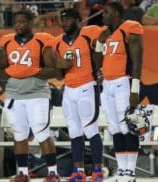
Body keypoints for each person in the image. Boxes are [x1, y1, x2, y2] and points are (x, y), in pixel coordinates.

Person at [0, 9, 60, 181]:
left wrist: (28, 71)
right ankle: (22, 172)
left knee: (42, 132)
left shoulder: (41, 40)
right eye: (16, 22)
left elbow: (53, 70)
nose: (18, 25)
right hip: (15, 95)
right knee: (19, 135)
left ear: (31, 23)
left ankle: (53, 172)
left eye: (22, 22)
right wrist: (12, 76)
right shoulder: (8, 41)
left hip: (37, 94)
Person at [51, 8, 104, 182]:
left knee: (90, 129)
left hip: (87, 86)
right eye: (62, 20)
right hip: (68, 89)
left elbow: (105, 41)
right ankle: (78, 171)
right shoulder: (58, 42)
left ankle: (97, 170)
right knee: (74, 131)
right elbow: (58, 76)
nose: (64, 23)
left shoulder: (89, 33)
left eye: (67, 19)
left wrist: (101, 69)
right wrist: (60, 64)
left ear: (77, 20)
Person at [94, 2, 144, 181]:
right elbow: (97, 63)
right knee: (115, 128)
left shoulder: (130, 28)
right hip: (108, 84)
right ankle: (122, 170)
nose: (103, 15)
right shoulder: (105, 34)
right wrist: (100, 43)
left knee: (128, 127)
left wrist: (134, 90)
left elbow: (138, 60)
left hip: (124, 81)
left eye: (106, 12)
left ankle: (130, 172)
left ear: (116, 13)